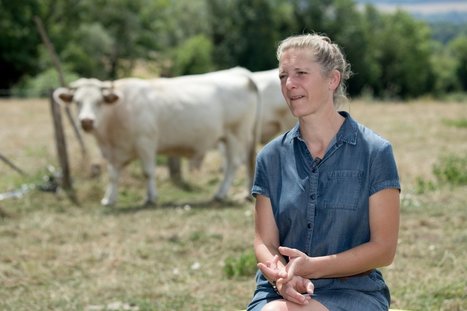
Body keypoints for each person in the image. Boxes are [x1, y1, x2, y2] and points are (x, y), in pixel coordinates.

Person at [246, 33, 401, 311]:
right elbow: (265, 241)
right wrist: (282, 275)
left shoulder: (375, 152)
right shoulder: (270, 156)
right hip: (281, 290)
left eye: (301, 73)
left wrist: (311, 268)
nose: (289, 84)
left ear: (333, 80)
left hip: (355, 290)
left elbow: (384, 249)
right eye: (283, 76)